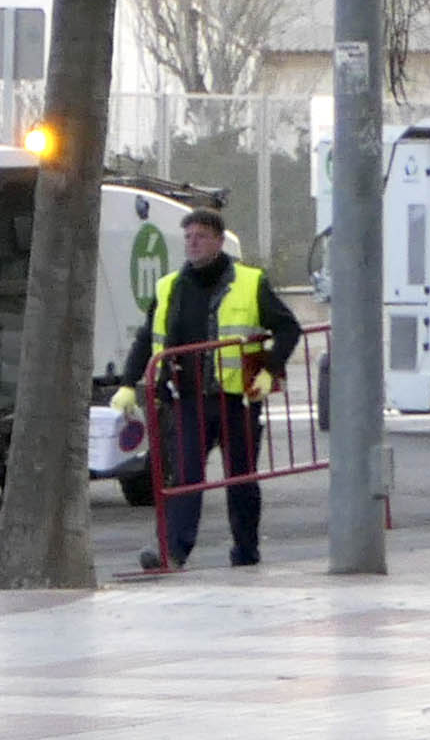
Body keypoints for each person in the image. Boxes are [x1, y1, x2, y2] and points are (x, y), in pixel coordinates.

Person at [114, 205, 303, 573]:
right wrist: (127, 384)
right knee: (186, 478)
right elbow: (146, 338)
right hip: (188, 400)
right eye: (188, 237)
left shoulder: (250, 282)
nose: (192, 243)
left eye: (200, 236)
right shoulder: (170, 287)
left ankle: (246, 552)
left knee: (241, 479)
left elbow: (288, 329)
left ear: (219, 241)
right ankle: (171, 553)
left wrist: (269, 369)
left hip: (237, 401)